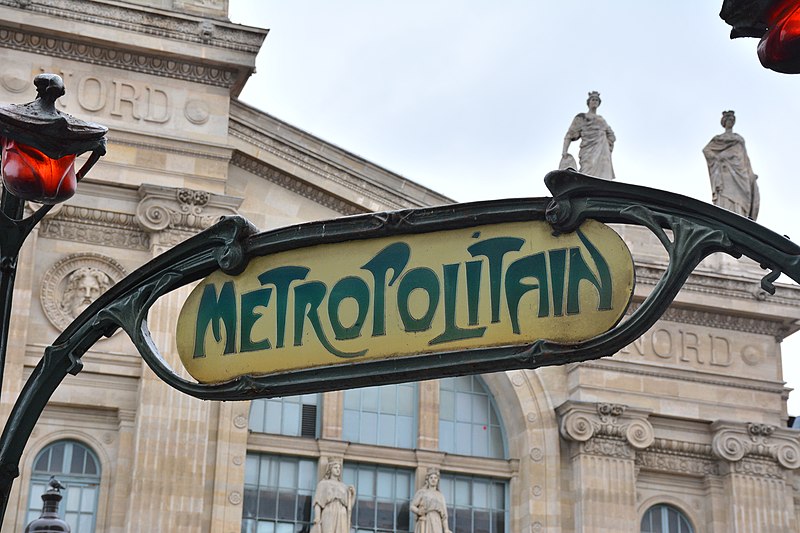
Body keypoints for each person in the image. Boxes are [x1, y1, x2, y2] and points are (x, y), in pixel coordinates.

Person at [703, 110, 760, 220]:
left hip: (741, 173)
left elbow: (745, 159)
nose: (730, 121)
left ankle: (740, 220)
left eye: (732, 119)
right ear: (724, 122)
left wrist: (751, 174)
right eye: (728, 119)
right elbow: (707, 150)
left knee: (743, 197)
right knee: (726, 196)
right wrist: (718, 158)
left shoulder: (739, 139)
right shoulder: (719, 139)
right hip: (726, 171)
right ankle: (727, 220)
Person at [561, 91, 616, 180]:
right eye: (593, 99)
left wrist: (607, 143)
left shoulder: (601, 120)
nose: (594, 101)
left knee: (603, 172)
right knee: (587, 168)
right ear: (588, 102)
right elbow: (569, 135)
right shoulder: (582, 117)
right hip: (588, 150)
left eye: (597, 100)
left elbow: (612, 135)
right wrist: (564, 152)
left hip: (602, 150)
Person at [311, 458, 355, 533]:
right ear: (330, 469)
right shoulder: (323, 484)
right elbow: (317, 503)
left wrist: (353, 494)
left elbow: (349, 506)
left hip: (342, 513)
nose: (338, 470)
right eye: (335, 468)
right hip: (329, 511)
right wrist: (317, 519)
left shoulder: (344, 487)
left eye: (339, 468)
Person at [410, 467, 451, 533]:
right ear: (427, 480)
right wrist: (418, 511)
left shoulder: (440, 496)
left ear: (438, 480)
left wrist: (446, 529)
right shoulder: (422, 492)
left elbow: (444, 515)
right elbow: (412, 506)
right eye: (431, 478)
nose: (433, 479)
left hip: (437, 521)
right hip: (426, 519)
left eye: (435, 478)